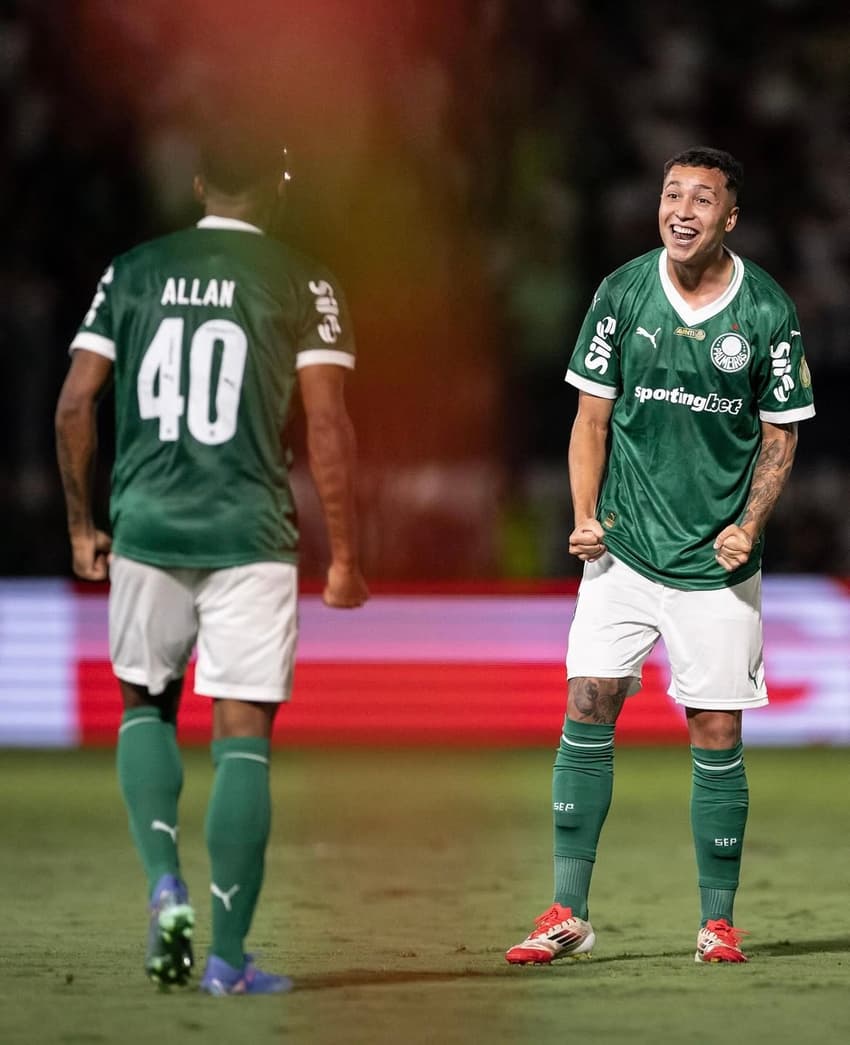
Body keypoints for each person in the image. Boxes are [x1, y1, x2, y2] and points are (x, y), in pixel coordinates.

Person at [55, 129, 369, 995]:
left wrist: (82, 527)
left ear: (198, 184)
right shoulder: (303, 279)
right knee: (243, 739)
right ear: (277, 187)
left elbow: (76, 404)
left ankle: (164, 883)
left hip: (146, 526)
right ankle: (227, 959)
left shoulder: (133, 270)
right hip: (250, 532)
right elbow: (328, 425)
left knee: (145, 704)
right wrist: (345, 555)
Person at [505, 147, 815, 966]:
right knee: (587, 700)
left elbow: (780, 435)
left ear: (730, 218)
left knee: (714, 726)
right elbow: (590, 419)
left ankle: (717, 922)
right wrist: (583, 515)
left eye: (701, 199)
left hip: (716, 562)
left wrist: (749, 522)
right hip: (624, 550)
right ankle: (567, 911)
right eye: (672, 193)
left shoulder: (767, 311)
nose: (682, 210)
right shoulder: (621, 292)